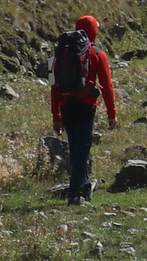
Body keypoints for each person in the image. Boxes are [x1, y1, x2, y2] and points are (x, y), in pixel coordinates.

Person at [49, 13, 117, 203]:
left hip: (66, 106)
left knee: (76, 149)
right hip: (86, 107)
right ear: (93, 31)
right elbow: (107, 86)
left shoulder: (60, 54)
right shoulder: (98, 53)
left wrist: (56, 115)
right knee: (82, 151)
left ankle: (85, 186)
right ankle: (75, 194)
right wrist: (112, 114)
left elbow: (54, 86)